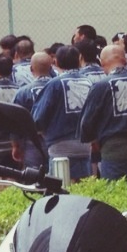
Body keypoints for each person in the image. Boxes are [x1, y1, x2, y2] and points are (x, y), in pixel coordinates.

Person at [79, 44, 127, 182]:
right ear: (125, 60)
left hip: (114, 152)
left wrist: (93, 140)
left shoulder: (102, 86)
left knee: (117, 196)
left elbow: (86, 123)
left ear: (102, 63)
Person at [32, 46, 93, 181]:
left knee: (62, 191)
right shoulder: (89, 82)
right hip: (85, 146)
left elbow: (38, 119)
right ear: (79, 60)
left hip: (60, 148)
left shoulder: (54, 84)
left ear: (56, 62)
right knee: (85, 190)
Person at [11, 52, 52, 169]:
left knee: (33, 178)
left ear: (31, 68)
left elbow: (15, 120)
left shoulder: (23, 92)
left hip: (32, 143)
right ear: (51, 67)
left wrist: (15, 145)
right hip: (55, 141)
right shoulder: (58, 86)